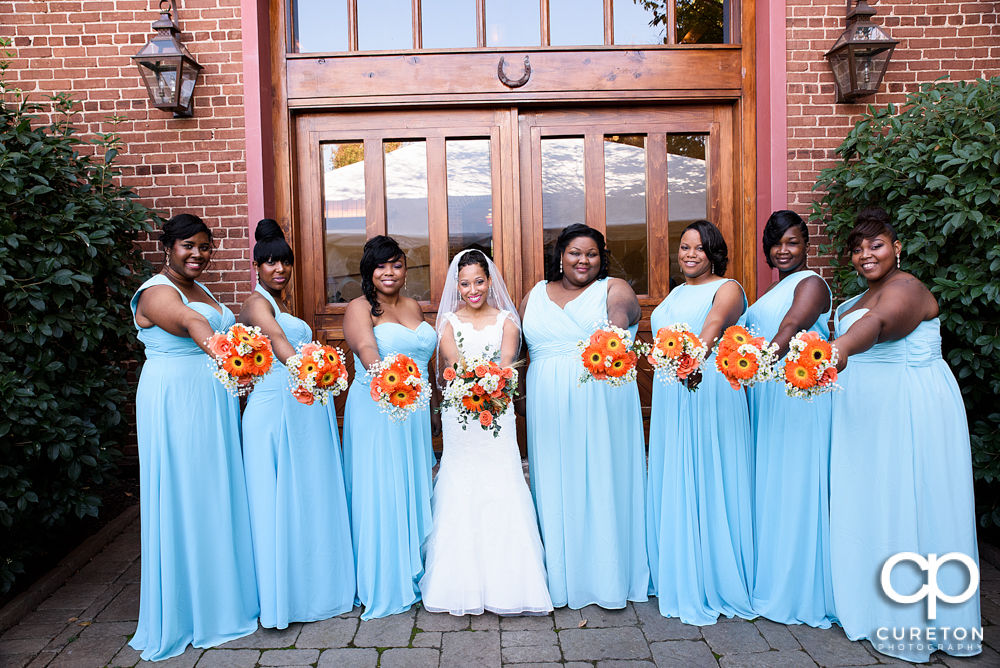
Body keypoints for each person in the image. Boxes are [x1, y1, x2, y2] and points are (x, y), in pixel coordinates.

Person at [830, 206, 980, 662]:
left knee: (914, 503)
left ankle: (919, 619)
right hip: (865, 415)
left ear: (897, 248)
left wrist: (836, 349)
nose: (865, 255)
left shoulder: (907, 288)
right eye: (857, 249)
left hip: (909, 409)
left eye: (875, 246)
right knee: (874, 503)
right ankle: (872, 606)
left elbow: (877, 327)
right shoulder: (856, 298)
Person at [128, 214, 258, 661]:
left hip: (211, 401)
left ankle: (222, 599)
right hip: (177, 403)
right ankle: (191, 610)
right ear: (168, 247)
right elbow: (189, 323)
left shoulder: (201, 289)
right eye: (188, 246)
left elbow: (208, 317)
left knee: (214, 492)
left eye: (205, 246)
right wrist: (231, 357)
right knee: (187, 494)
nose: (198, 254)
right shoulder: (156, 291)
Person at [519, 224, 649, 610]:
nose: (583, 260)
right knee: (558, 483)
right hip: (548, 409)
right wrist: (516, 394)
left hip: (600, 401)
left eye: (592, 254)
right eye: (575, 252)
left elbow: (621, 315)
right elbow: (518, 351)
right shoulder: (534, 296)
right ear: (561, 255)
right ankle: (561, 577)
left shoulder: (613, 288)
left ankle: (606, 577)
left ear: (601, 259)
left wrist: (614, 331)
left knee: (602, 478)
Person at [419, 250, 553, 616]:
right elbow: (454, 365)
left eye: (479, 281)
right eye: (465, 283)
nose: (473, 289)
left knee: (501, 481)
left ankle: (511, 583)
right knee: (461, 484)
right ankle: (455, 584)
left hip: (497, 411)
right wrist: (471, 387)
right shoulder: (447, 322)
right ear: (456, 286)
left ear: (490, 281)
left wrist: (492, 386)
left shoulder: (507, 320)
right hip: (460, 416)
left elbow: (507, 365)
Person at [239, 220, 356, 628]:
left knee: (304, 496)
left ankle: (312, 586)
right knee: (277, 502)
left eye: (284, 262)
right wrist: (312, 370)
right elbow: (275, 341)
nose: (279, 269)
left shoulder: (285, 303)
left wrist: (316, 378)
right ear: (256, 266)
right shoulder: (257, 303)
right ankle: (282, 599)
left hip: (302, 405)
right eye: (270, 263)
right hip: (274, 409)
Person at [646, 219, 754, 625]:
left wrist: (697, 357)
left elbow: (714, 322)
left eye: (699, 248)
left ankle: (711, 575)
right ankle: (678, 568)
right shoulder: (674, 293)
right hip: (673, 396)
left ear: (714, 254)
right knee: (678, 473)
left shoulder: (728, 288)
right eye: (685, 246)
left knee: (709, 474)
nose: (689, 254)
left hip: (706, 387)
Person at [741, 211, 836, 627]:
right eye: (777, 243)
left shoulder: (811, 284)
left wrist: (761, 360)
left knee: (797, 484)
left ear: (806, 247)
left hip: (799, 397)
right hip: (768, 398)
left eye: (792, 242)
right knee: (771, 485)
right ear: (767, 251)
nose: (784, 250)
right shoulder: (766, 294)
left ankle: (799, 587)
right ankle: (772, 574)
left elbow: (794, 324)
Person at [342, 235, 437, 620]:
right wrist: (393, 384)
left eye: (397, 265)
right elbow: (367, 352)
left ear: (405, 270)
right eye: (381, 265)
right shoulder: (360, 307)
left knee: (412, 484)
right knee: (382, 488)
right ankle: (385, 579)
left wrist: (429, 406)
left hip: (414, 413)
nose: (389, 272)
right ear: (369, 270)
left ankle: (416, 570)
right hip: (378, 409)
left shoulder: (413, 305)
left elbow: (426, 360)